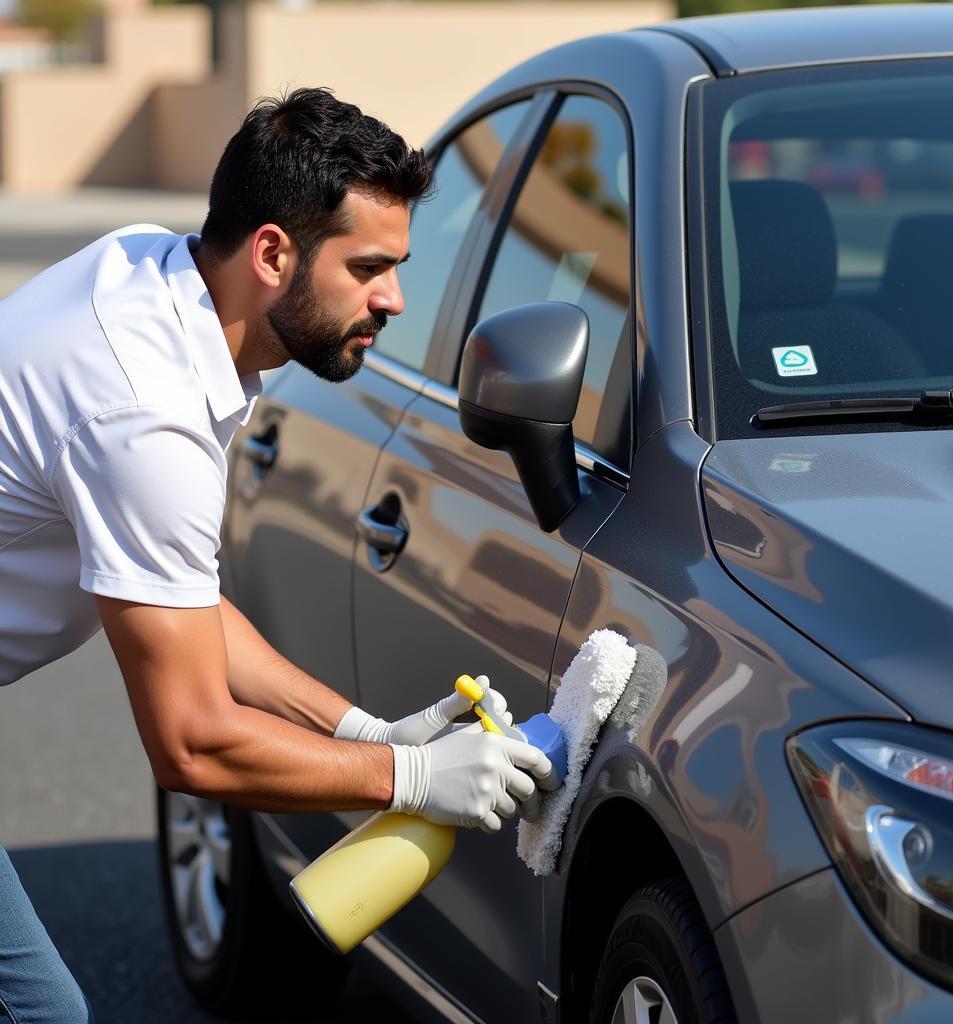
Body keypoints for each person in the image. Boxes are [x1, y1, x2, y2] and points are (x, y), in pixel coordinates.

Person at [0, 87, 553, 1023]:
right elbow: (189, 741)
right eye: (370, 267)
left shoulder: (163, 284)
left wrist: (365, 735)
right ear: (272, 253)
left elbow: (189, 606)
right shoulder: (145, 410)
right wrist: (413, 781)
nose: (396, 299)